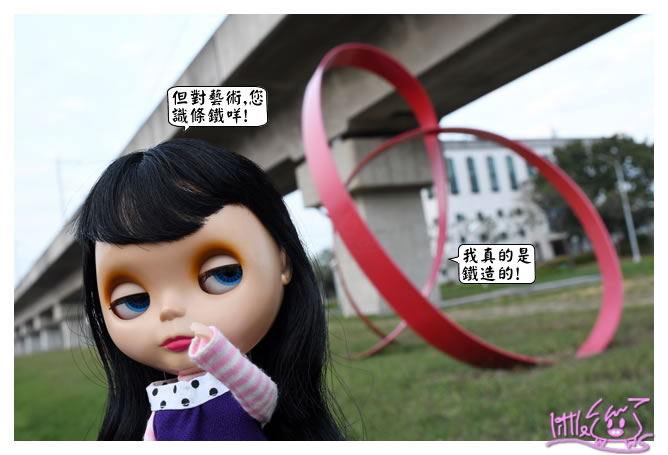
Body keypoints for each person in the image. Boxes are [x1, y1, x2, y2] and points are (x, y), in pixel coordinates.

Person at [74, 138, 347, 440]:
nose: (169, 310)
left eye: (221, 275)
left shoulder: (242, 391)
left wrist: (219, 356)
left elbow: (264, 398)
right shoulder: (160, 409)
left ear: (282, 262)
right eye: (134, 300)